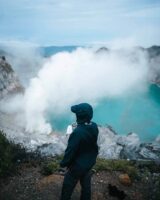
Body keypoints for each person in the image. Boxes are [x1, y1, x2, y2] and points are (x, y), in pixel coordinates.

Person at [60, 103, 99, 200]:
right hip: (89, 163)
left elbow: (70, 151)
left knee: (68, 186)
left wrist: (63, 163)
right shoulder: (94, 126)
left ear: (79, 116)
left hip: (77, 167)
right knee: (86, 187)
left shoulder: (77, 132)